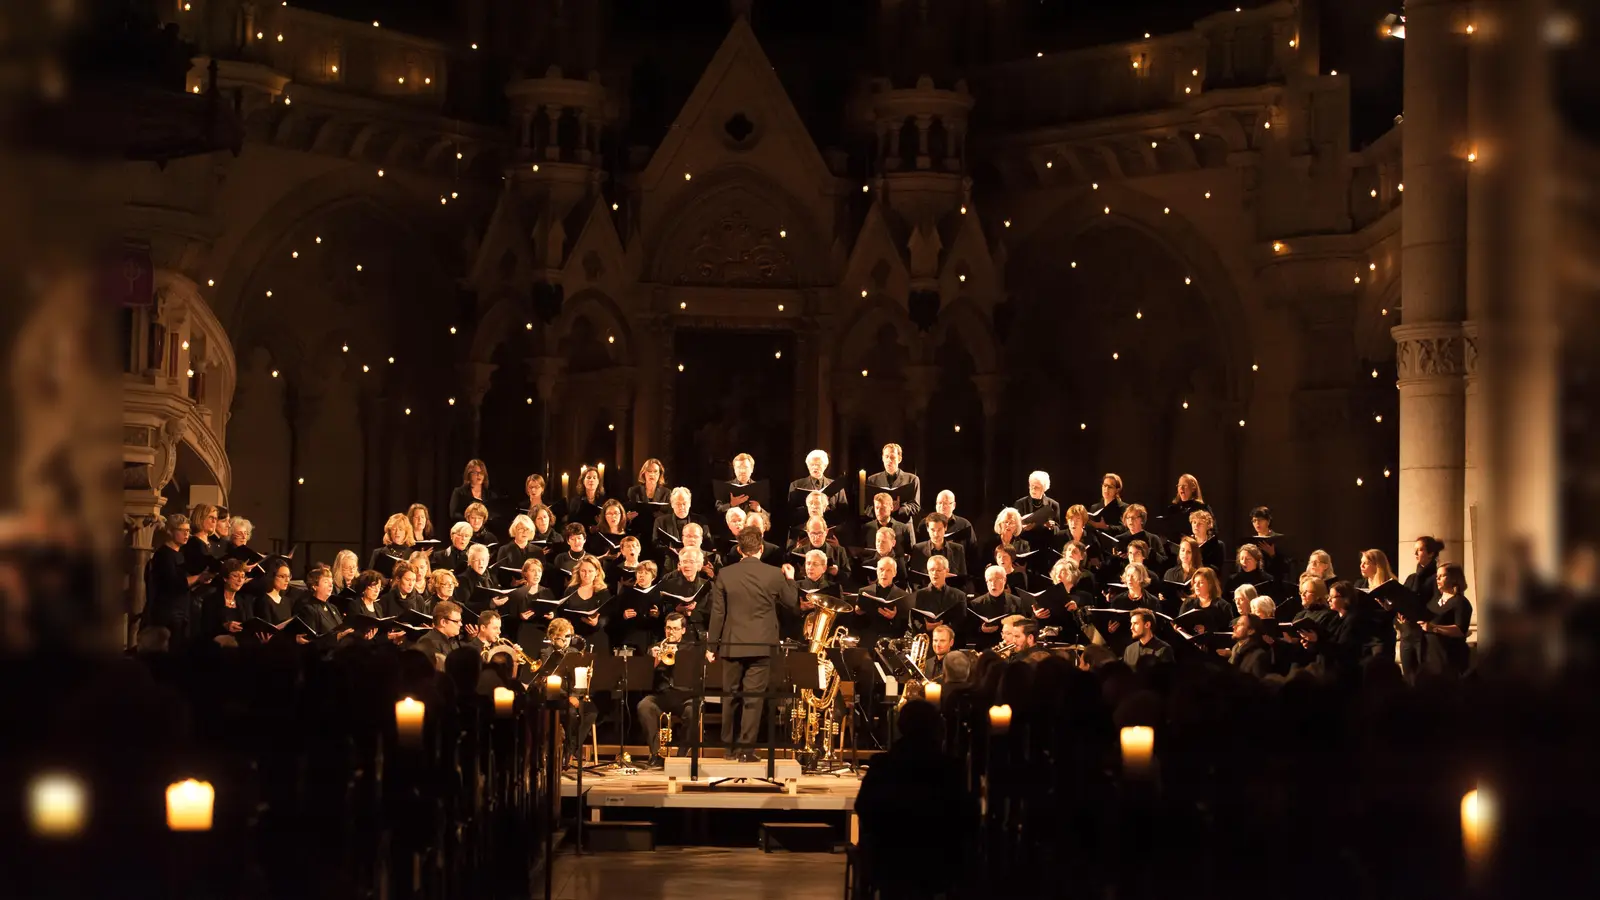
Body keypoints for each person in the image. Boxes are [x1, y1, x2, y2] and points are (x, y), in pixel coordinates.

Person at [854, 700, 973, 900]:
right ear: (937, 730)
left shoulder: (883, 765)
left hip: (889, 860)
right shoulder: (949, 768)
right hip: (935, 860)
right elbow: (964, 815)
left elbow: (864, 806)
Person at [705, 526, 799, 761]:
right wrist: (791, 580)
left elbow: (718, 614)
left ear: (739, 549)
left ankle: (729, 748)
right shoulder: (774, 574)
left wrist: (711, 646)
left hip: (732, 644)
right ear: (761, 548)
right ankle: (746, 751)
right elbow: (791, 603)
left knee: (731, 696)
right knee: (753, 698)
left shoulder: (725, 574)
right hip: (762, 645)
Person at [637, 612, 699, 768]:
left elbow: (696, 675)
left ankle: (682, 755)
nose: (671, 632)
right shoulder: (655, 647)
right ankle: (656, 754)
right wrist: (654, 661)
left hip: (685, 696)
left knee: (694, 711)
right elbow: (643, 678)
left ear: (683, 630)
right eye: (668, 628)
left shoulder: (692, 648)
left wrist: (682, 658)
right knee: (644, 706)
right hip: (662, 696)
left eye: (676, 629)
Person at [145, 514, 213, 643]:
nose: (186, 534)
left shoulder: (181, 554)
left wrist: (200, 580)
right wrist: (198, 577)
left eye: (188, 531)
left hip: (182, 610)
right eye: (182, 530)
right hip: (168, 613)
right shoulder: (163, 555)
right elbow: (173, 584)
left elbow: (185, 582)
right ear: (170, 531)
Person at [1413, 562, 1473, 676]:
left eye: (1442, 575)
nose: (1438, 579)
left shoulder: (1460, 603)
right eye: (1437, 576)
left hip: (1449, 658)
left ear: (1454, 578)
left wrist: (1434, 628)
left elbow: (1460, 630)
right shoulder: (1434, 601)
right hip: (1430, 656)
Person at [866, 443, 921, 522]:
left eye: (892, 457)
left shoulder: (912, 479)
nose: (889, 460)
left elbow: (915, 506)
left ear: (899, 459)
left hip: (903, 525)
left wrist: (900, 509)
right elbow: (867, 507)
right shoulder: (872, 480)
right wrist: (883, 510)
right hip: (880, 527)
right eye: (886, 457)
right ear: (882, 458)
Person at [415, 599, 476, 668]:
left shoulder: (454, 639)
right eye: (457, 621)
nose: (461, 624)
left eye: (460, 621)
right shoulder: (427, 643)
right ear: (443, 622)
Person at [449, 458, 495, 523]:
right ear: (469, 474)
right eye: (475, 472)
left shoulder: (490, 495)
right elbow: (453, 514)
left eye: (481, 472)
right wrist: (470, 520)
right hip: (465, 528)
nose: (479, 475)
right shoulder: (459, 492)